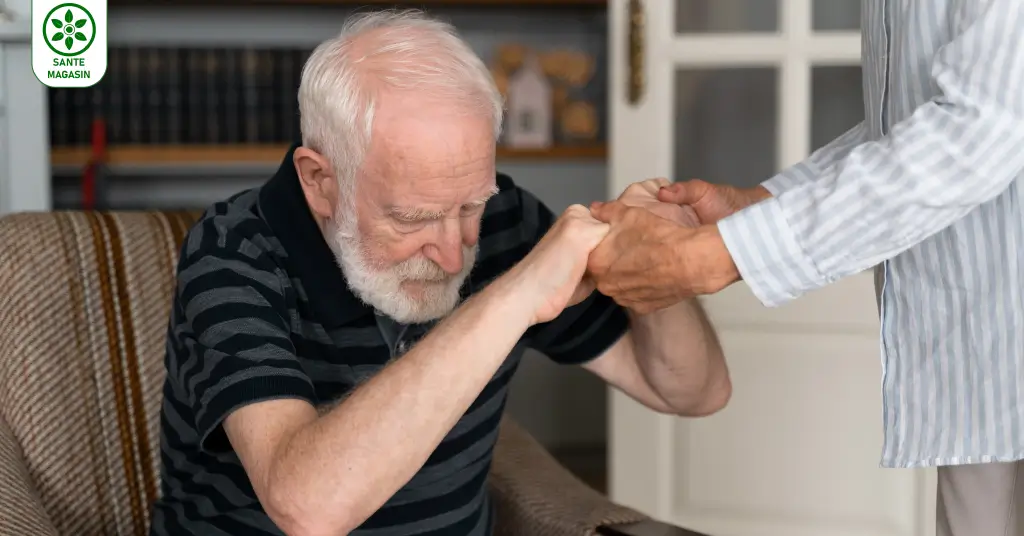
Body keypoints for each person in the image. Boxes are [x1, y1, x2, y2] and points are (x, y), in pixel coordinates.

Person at [147, 10, 730, 536]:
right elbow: (308, 508)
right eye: (414, 219)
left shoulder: (507, 220)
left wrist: (657, 261)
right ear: (320, 181)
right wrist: (517, 297)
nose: (454, 254)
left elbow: (691, 391)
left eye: (470, 206)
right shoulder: (231, 252)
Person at [586, 1, 1024, 535]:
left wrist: (720, 254)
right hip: (986, 357)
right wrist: (761, 205)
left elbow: (983, 126)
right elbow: (917, 121)